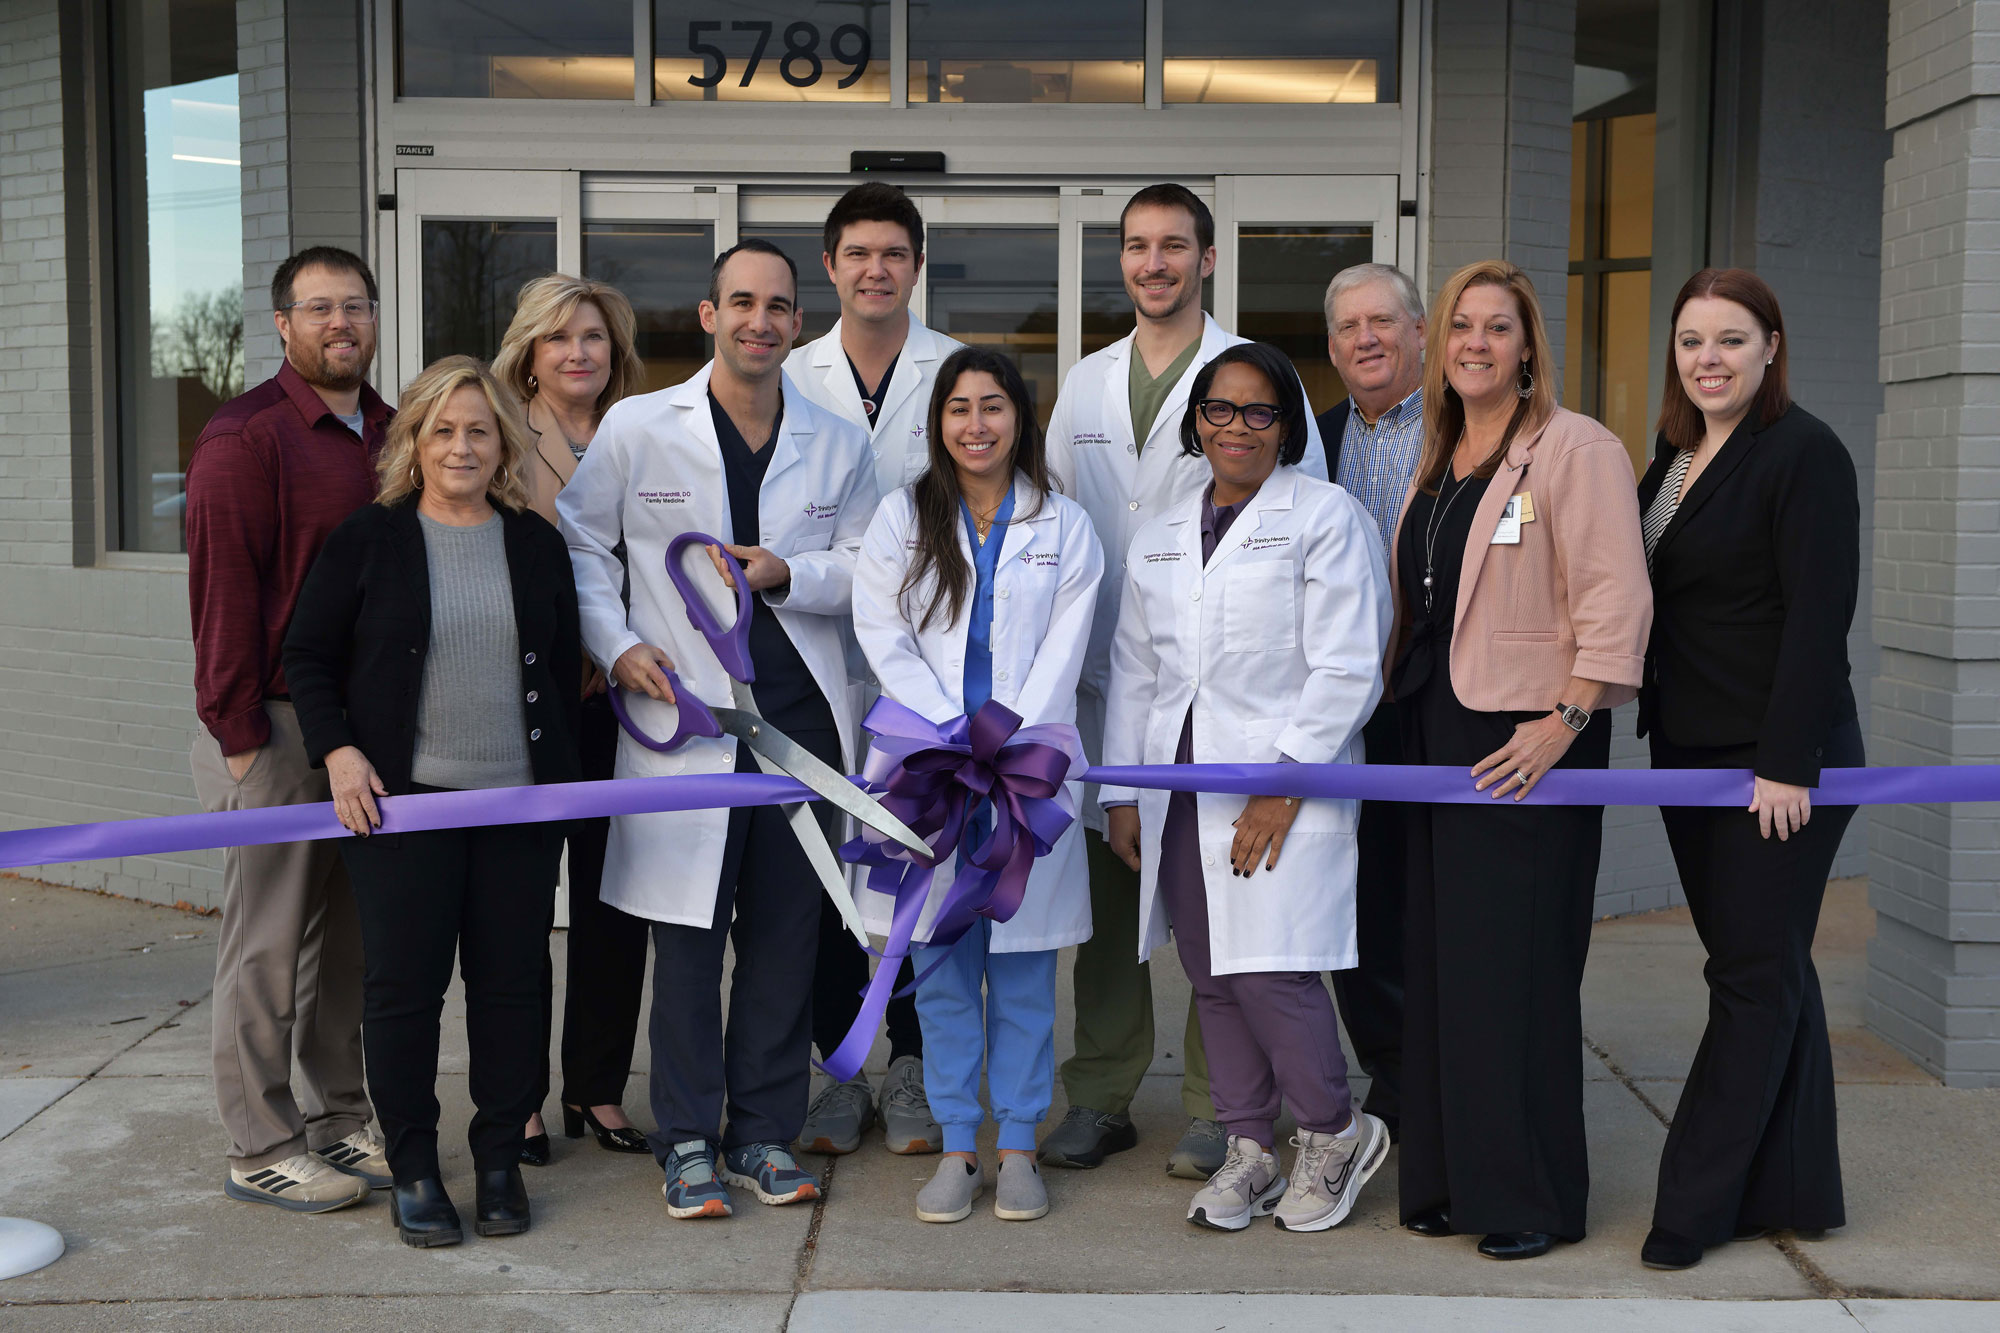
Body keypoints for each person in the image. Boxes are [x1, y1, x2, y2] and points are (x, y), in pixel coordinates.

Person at [558, 239, 879, 1220]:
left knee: (785, 939)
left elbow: (870, 560)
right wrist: (615, 647)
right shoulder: (638, 425)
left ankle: (764, 1136)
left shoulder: (837, 438)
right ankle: (689, 1139)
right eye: (740, 302)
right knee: (687, 943)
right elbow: (578, 539)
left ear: (795, 321)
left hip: (796, 727)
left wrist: (791, 571)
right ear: (708, 316)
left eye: (777, 306)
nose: (758, 321)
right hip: (682, 723)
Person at [1041, 183, 1329, 1180]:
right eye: (1135, 246)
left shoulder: (1253, 375)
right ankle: (1101, 1090)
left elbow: (1303, 521)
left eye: (1173, 246)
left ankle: (1221, 1108)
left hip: (1236, 701)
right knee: (1113, 909)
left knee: (1229, 918)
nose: (1152, 262)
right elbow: (1054, 524)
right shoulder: (1083, 384)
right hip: (1115, 689)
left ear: (1207, 259)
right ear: (1118, 262)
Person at [283, 355, 583, 1248]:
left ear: (503, 446)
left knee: (510, 988)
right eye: (442, 429)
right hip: (402, 815)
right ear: (412, 442)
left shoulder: (535, 544)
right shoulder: (367, 539)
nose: (461, 445)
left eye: (479, 430)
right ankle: (415, 1163)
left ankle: (497, 1159)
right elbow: (306, 656)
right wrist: (338, 750)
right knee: (404, 992)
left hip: (517, 816)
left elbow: (561, 675)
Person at [1099, 342, 1392, 1234]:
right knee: (1211, 973)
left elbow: (1349, 664)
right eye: (1219, 410)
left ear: (1287, 425)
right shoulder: (1160, 532)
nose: (1236, 427)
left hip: (1277, 786)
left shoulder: (1325, 516)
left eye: (1259, 411)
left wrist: (1284, 779)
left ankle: (1334, 1132)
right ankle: (1248, 1145)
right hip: (1177, 784)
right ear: (1196, 421)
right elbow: (1134, 670)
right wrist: (1120, 790)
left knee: (1273, 971)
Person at [1391, 260, 1650, 1260]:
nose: (1474, 343)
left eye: (1496, 328)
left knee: (1517, 974)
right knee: (1445, 968)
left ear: (1527, 346)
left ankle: (1529, 1193)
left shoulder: (1573, 449)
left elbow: (1613, 598)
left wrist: (1565, 718)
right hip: (1434, 732)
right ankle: (1452, 1177)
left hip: (1526, 744)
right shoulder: (1444, 450)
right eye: (1460, 326)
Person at [1634, 270, 1863, 1271]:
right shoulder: (1674, 456)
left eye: (1729, 340)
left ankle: (1693, 1203)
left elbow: (1817, 619)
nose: (1707, 360)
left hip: (1775, 765)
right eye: (1690, 341)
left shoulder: (1803, 451)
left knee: (1746, 979)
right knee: (1769, 973)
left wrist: (1784, 764)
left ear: (1770, 346)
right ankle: (1795, 1185)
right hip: (1690, 757)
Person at [851, 346, 1103, 1224]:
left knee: (1026, 967)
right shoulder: (899, 518)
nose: (977, 424)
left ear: (1020, 419)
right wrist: (950, 736)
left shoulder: (1064, 524)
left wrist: (1002, 739)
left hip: (1024, 771)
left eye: (993, 406)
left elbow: (1067, 646)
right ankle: (960, 1146)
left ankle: (1021, 1144)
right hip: (929, 769)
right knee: (943, 964)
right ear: (939, 422)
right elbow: (881, 634)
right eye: (959, 408)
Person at [184, 244, 391, 1214]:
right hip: (267, 726)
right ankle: (257, 1142)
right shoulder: (246, 437)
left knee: (346, 946)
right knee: (266, 947)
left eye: (354, 305)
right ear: (281, 324)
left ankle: (340, 1118)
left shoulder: (392, 430)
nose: (340, 322)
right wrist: (236, 735)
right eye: (318, 308)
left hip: (361, 735)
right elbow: (222, 593)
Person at [783, 183, 958, 1157]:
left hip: (918, 672)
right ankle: (835, 1067)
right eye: (857, 253)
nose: (875, 269)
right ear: (831, 265)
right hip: (814, 659)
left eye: (893, 252)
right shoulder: (792, 371)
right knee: (821, 874)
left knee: (912, 871)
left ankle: (914, 1066)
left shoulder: (951, 373)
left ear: (915, 265)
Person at [491, 274, 652, 1166]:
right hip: (527, 709)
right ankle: (513, 1100)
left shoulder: (647, 432)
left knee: (611, 904)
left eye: (592, 336)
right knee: (517, 911)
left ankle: (596, 1087)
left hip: (628, 709)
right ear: (529, 351)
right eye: (557, 339)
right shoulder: (500, 437)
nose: (577, 353)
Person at [1314, 262, 1428, 1142]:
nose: (1366, 339)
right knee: (1359, 899)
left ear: (1419, 332)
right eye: (1349, 327)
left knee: (1438, 897)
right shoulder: (1312, 439)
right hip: (1349, 702)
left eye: (1383, 321)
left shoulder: (1472, 433)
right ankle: (1393, 1069)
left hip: (1448, 698)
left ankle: (1440, 1066)